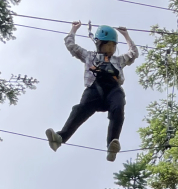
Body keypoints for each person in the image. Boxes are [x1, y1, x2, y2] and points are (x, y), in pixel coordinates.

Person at [46, 21, 139, 162]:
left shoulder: (118, 60)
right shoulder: (90, 56)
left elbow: (133, 53)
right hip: (95, 90)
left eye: (113, 46)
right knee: (80, 109)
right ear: (99, 44)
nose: (111, 49)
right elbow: (71, 46)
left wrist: (126, 36)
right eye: (108, 45)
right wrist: (73, 29)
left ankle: (112, 145)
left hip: (113, 90)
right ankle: (59, 138)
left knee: (118, 107)